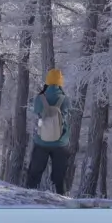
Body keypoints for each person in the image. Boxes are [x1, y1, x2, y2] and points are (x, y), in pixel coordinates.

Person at [26, 68, 71, 196]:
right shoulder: (65, 99)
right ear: (60, 82)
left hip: (41, 141)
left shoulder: (40, 98)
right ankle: (62, 199)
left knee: (34, 173)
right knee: (59, 176)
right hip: (61, 143)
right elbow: (67, 118)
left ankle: (28, 197)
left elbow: (36, 115)